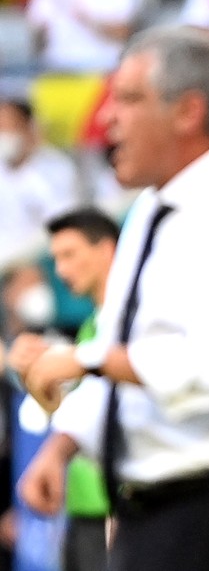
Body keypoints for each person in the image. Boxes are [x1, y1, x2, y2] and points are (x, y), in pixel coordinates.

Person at [18, 25, 209, 571]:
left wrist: (84, 359)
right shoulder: (147, 216)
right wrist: (60, 443)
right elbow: (128, 361)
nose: (107, 116)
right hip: (154, 516)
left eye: (129, 98)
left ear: (188, 112)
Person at [9, 207, 119, 571]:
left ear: (107, 250)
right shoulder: (89, 329)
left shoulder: (135, 324)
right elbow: (81, 415)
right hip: (84, 510)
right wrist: (37, 381)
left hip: (128, 511)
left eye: (69, 255)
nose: (61, 271)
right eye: (55, 258)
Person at [0, 99, 79, 266]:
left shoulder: (56, 166)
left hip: (44, 261)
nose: (3, 134)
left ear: (27, 128)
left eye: (8, 126)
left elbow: (62, 220)